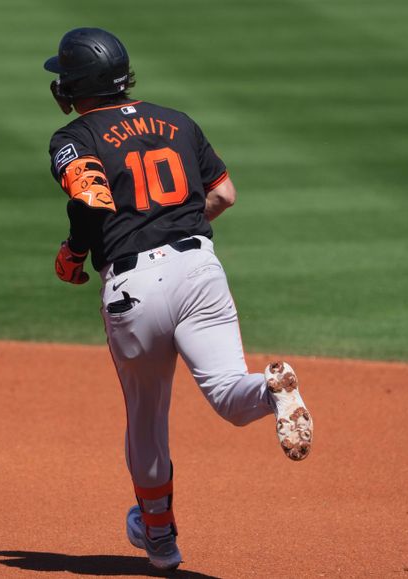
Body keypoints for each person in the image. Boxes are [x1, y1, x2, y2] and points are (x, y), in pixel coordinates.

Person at [44, 27, 313, 571]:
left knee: (147, 420)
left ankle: (162, 544)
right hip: (199, 268)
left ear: (77, 85)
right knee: (228, 392)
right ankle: (271, 392)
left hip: (134, 289)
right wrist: (173, 225)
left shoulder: (74, 136)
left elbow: (91, 200)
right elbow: (225, 194)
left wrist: (74, 252)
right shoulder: (177, 122)